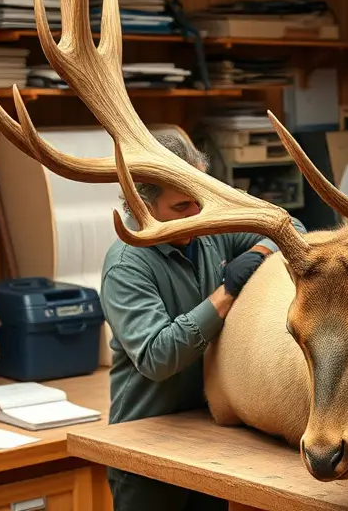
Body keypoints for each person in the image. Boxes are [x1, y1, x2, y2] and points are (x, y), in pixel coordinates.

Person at [99, 132, 306, 511]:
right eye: (181, 206)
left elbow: (290, 228)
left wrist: (259, 252)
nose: (196, 214)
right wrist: (226, 293)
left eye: (201, 200)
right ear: (138, 203)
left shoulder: (206, 229)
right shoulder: (126, 265)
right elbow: (157, 357)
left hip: (209, 435)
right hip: (146, 440)